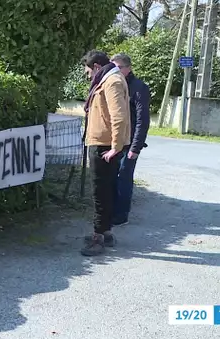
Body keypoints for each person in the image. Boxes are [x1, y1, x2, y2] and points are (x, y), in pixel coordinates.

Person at [81, 50, 131, 256]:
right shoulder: (109, 79)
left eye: (88, 72)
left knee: (100, 192)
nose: (88, 77)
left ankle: (98, 237)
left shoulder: (111, 82)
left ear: (96, 67)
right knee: (106, 190)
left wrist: (115, 148)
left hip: (104, 146)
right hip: (104, 143)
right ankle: (106, 232)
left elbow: (118, 116)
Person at [110, 53, 151, 226]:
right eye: (113, 67)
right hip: (115, 141)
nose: (115, 71)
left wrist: (136, 147)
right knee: (112, 177)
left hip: (130, 142)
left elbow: (143, 120)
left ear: (128, 68)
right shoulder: (114, 85)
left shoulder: (139, 87)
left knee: (124, 178)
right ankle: (111, 211)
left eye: (119, 67)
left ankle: (121, 215)